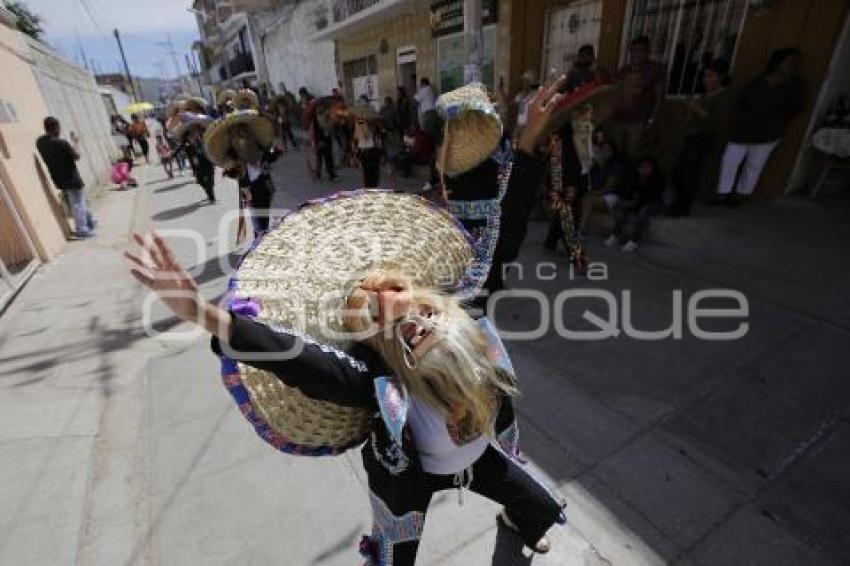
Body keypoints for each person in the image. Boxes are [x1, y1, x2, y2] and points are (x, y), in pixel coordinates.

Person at [125, 202, 566, 566]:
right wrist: (204, 314)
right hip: (412, 479)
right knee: (394, 561)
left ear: (416, 289)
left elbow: (502, 237)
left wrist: (526, 144)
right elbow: (305, 363)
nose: (390, 310)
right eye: (372, 314)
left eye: (391, 290)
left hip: (483, 458)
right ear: (370, 340)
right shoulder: (375, 379)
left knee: (542, 509)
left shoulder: (467, 319)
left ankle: (513, 522)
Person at [714, 48, 805, 205]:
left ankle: (740, 196)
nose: (792, 66)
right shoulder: (759, 81)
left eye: (794, 63)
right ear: (777, 63)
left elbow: (795, 109)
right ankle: (723, 193)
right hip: (743, 130)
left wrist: (778, 124)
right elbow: (743, 102)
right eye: (788, 62)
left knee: (754, 166)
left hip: (769, 133)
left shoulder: (794, 86)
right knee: (729, 160)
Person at [669, 59, 735, 215]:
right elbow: (688, 120)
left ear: (722, 77)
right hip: (692, 137)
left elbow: (717, 123)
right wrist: (689, 110)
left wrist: (697, 109)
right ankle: (677, 203)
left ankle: (682, 208)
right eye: (705, 76)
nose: (706, 80)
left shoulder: (724, 97)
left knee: (690, 174)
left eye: (711, 76)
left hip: (705, 139)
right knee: (678, 172)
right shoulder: (705, 96)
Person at [610, 36, 667, 165]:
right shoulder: (623, 71)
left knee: (634, 158)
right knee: (617, 156)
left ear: (648, 51)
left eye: (642, 50)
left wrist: (652, 120)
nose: (637, 54)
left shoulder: (655, 70)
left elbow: (659, 97)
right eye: (635, 50)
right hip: (619, 121)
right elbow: (614, 93)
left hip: (639, 122)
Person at [36, 117, 96, 238]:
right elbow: (77, 156)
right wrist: (75, 142)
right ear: (56, 128)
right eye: (59, 127)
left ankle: (89, 221)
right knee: (78, 203)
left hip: (58, 178)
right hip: (71, 178)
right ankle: (82, 230)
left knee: (79, 200)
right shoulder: (61, 143)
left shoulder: (40, 142)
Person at [606, 153, 665, 252]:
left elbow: (652, 197)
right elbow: (629, 193)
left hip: (653, 203)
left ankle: (633, 241)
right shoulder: (635, 177)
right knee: (623, 211)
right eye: (641, 167)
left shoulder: (658, 179)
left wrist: (635, 202)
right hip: (638, 202)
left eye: (648, 167)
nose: (644, 170)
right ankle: (615, 235)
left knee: (644, 211)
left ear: (653, 168)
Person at [414, 78, 440, 190]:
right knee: (433, 145)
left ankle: (433, 179)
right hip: (434, 115)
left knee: (428, 144)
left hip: (429, 116)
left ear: (422, 83)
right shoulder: (431, 91)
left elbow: (415, 100)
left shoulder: (425, 89)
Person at [352, 109, 383, 188]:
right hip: (368, 150)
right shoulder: (362, 124)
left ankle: (370, 189)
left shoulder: (361, 123)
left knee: (370, 173)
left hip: (369, 150)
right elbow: (364, 135)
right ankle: (370, 189)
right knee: (370, 173)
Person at [512, 70, 540, 140]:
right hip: (520, 126)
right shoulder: (521, 94)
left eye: (525, 82)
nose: (523, 84)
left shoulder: (536, 94)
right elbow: (512, 104)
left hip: (530, 129)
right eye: (523, 82)